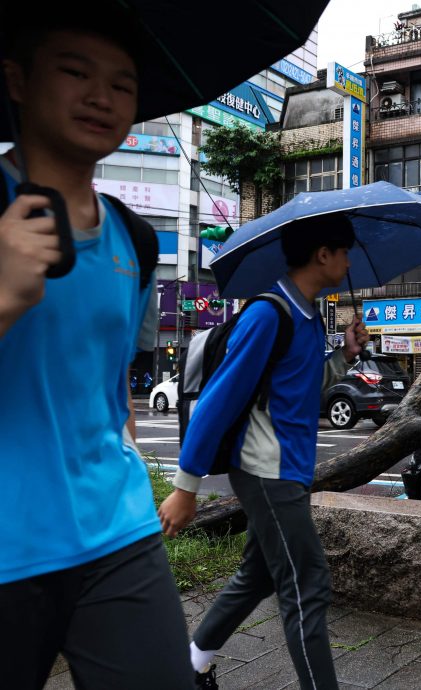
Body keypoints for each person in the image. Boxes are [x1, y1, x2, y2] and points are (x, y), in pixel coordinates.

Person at [0, 8, 194, 689]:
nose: (101, 97)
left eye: (122, 84)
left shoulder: (138, 241)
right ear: (18, 81)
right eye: (75, 72)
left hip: (117, 532)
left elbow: (112, 392)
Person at [159, 223, 369, 690]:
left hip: (288, 467)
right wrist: (186, 486)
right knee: (307, 584)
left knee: (260, 573)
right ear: (322, 254)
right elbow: (220, 399)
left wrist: (346, 355)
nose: (349, 263)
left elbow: (300, 389)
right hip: (265, 468)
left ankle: (192, 663)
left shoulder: (308, 317)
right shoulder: (267, 315)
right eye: (344, 253)